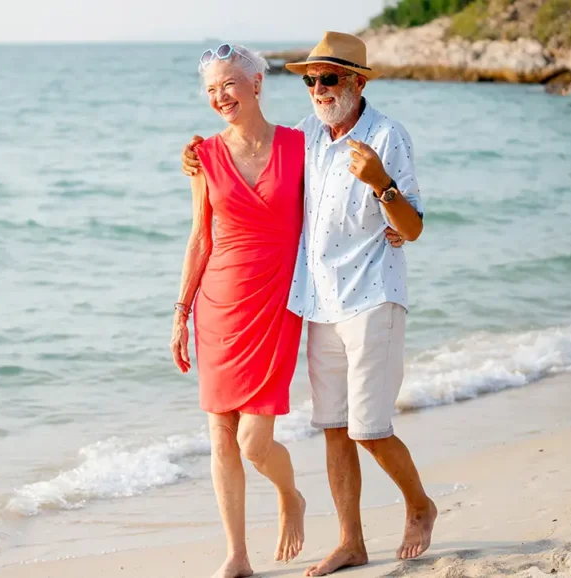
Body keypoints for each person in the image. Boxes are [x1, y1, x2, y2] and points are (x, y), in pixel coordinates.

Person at [181, 32, 436, 577]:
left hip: (370, 296)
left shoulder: (387, 136)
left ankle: (419, 503)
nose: (319, 88)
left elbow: (411, 228)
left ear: (357, 81)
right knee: (334, 427)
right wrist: (197, 157)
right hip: (315, 302)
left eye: (331, 78)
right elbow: (236, 182)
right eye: (311, 79)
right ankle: (350, 543)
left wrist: (382, 186)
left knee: (368, 427)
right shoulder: (306, 139)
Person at [170, 43, 307, 578]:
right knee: (220, 435)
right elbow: (199, 239)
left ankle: (290, 495)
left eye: (228, 84)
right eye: (210, 90)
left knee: (255, 441)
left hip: (276, 304)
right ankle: (237, 555)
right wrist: (180, 312)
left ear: (256, 83)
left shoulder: (299, 146)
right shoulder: (202, 156)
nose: (220, 97)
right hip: (217, 305)